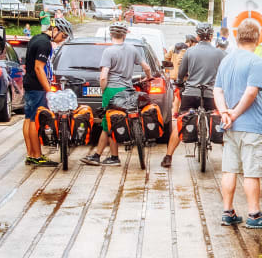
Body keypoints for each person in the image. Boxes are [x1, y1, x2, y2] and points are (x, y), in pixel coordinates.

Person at [214, 18, 262, 229]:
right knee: (251, 172)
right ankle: (254, 214)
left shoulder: (226, 60)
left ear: (236, 36)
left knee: (229, 170)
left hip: (230, 127)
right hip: (251, 125)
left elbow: (217, 90)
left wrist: (224, 112)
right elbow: (252, 92)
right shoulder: (256, 61)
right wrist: (234, 113)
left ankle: (228, 212)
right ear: (259, 38)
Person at [81, 23, 152, 166]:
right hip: (127, 90)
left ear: (111, 35)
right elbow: (147, 67)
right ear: (124, 35)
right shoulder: (133, 50)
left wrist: (103, 90)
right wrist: (147, 78)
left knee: (108, 123)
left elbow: (103, 76)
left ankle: (103, 156)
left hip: (112, 90)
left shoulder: (109, 51)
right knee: (115, 122)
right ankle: (109, 156)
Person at [162, 23, 225, 168]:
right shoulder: (220, 53)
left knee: (181, 121)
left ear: (197, 36)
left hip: (191, 93)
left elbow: (181, 73)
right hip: (211, 95)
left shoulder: (189, 52)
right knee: (219, 119)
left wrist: (179, 82)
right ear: (211, 37)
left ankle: (168, 157)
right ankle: (231, 156)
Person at [21, 17, 71, 167]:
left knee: (28, 119)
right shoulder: (45, 44)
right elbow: (38, 68)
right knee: (35, 121)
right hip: (37, 87)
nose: (62, 40)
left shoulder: (36, 38)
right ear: (56, 30)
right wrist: (49, 91)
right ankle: (37, 155)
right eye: (63, 36)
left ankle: (31, 154)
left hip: (29, 85)